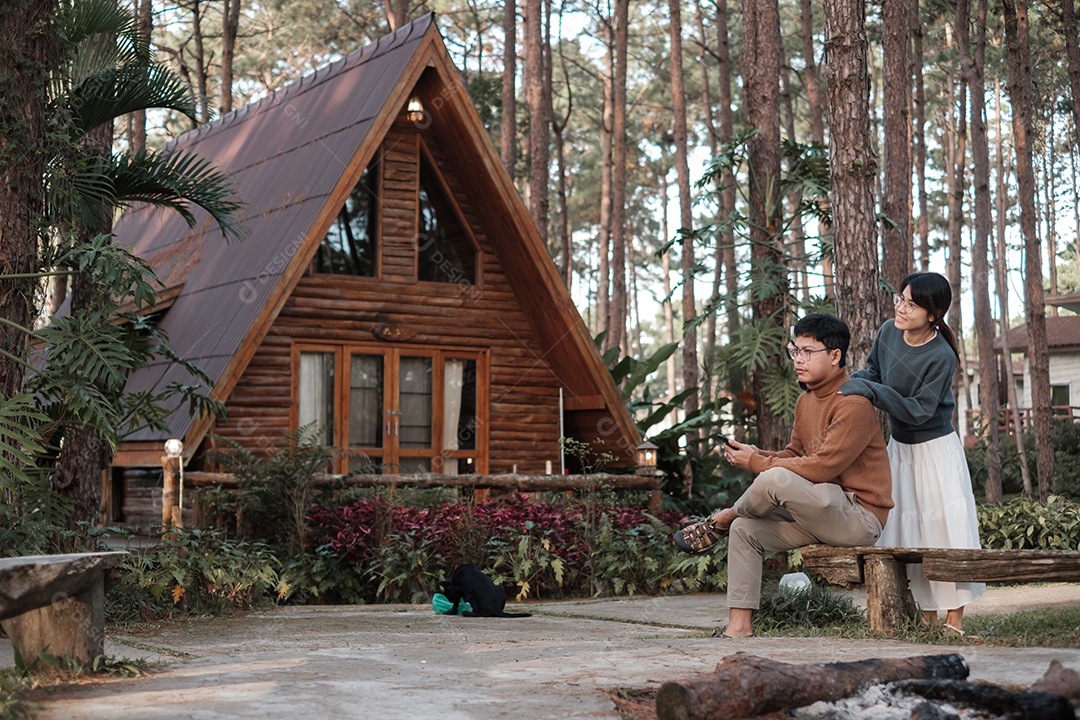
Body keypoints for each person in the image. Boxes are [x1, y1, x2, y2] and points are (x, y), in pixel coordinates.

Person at [673, 314, 893, 638]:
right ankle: (739, 627)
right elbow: (795, 456)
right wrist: (759, 455)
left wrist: (759, 465)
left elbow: (822, 467)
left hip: (857, 518)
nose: (799, 360)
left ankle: (723, 517)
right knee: (746, 529)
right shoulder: (805, 401)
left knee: (770, 481)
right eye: (795, 351)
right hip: (816, 511)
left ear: (835, 356)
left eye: (808, 351)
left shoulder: (854, 403)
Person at [840, 271, 984, 635]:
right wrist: (855, 384)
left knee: (945, 532)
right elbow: (872, 371)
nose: (901, 308)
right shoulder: (888, 331)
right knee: (909, 531)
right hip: (900, 451)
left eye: (911, 304)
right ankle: (925, 618)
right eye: (900, 299)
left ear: (933, 315)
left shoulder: (941, 355)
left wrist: (872, 392)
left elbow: (920, 409)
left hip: (936, 452)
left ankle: (954, 619)